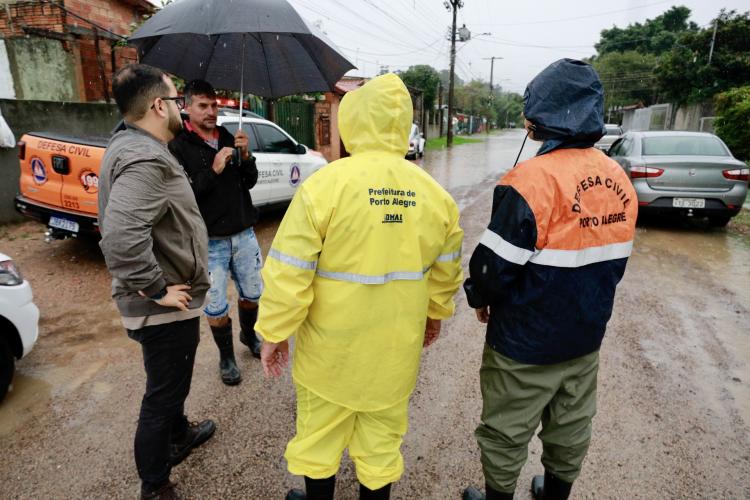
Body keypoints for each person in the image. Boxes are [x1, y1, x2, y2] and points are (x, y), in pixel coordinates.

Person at [256, 73, 464, 500]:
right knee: (380, 451)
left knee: (318, 443)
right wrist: (435, 317)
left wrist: (274, 333)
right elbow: (446, 274)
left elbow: (289, 270)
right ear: (403, 124)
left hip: (329, 358)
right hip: (392, 357)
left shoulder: (325, 186)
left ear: (351, 122)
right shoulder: (435, 196)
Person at [461, 59, 638, 500]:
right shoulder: (619, 177)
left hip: (524, 342)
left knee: (506, 431)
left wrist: (477, 296)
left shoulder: (531, 181)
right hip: (585, 338)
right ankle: (555, 493)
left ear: (539, 117)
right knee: (572, 425)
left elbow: (492, 268)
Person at [98, 64, 216, 500]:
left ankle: (179, 433)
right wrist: (156, 289)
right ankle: (155, 484)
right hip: (161, 306)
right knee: (163, 393)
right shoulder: (144, 158)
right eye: (176, 98)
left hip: (165, 300)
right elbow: (122, 239)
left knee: (173, 380)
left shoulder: (136, 144)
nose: (182, 108)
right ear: (157, 105)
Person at [169, 79, 263, 386]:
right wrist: (214, 169)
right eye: (203, 106)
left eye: (214, 105)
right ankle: (226, 357)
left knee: (252, 294)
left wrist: (246, 156)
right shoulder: (178, 146)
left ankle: (248, 335)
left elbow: (249, 182)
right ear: (186, 107)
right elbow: (184, 197)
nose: (211, 111)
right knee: (216, 304)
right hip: (210, 242)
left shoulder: (227, 135)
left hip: (244, 233)